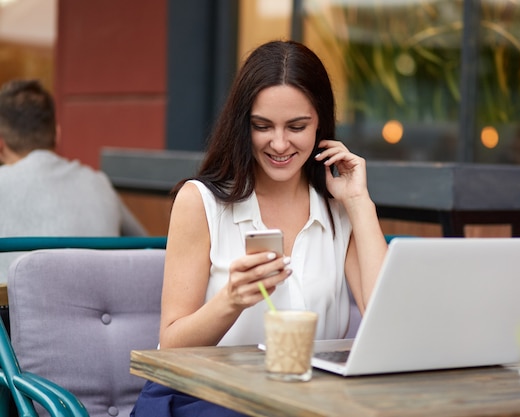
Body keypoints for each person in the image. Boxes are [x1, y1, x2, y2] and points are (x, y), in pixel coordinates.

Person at [131, 40, 388, 416]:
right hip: (206, 395)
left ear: (321, 124)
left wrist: (360, 203)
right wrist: (231, 299)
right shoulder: (201, 201)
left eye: (297, 127)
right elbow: (171, 345)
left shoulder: (339, 209)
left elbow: (383, 318)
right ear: (242, 124)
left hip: (305, 401)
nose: (279, 143)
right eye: (262, 126)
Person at [0, 79, 147, 282]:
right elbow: (148, 247)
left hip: (14, 312)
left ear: (1, 143)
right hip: (94, 311)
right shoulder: (98, 183)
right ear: (57, 135)